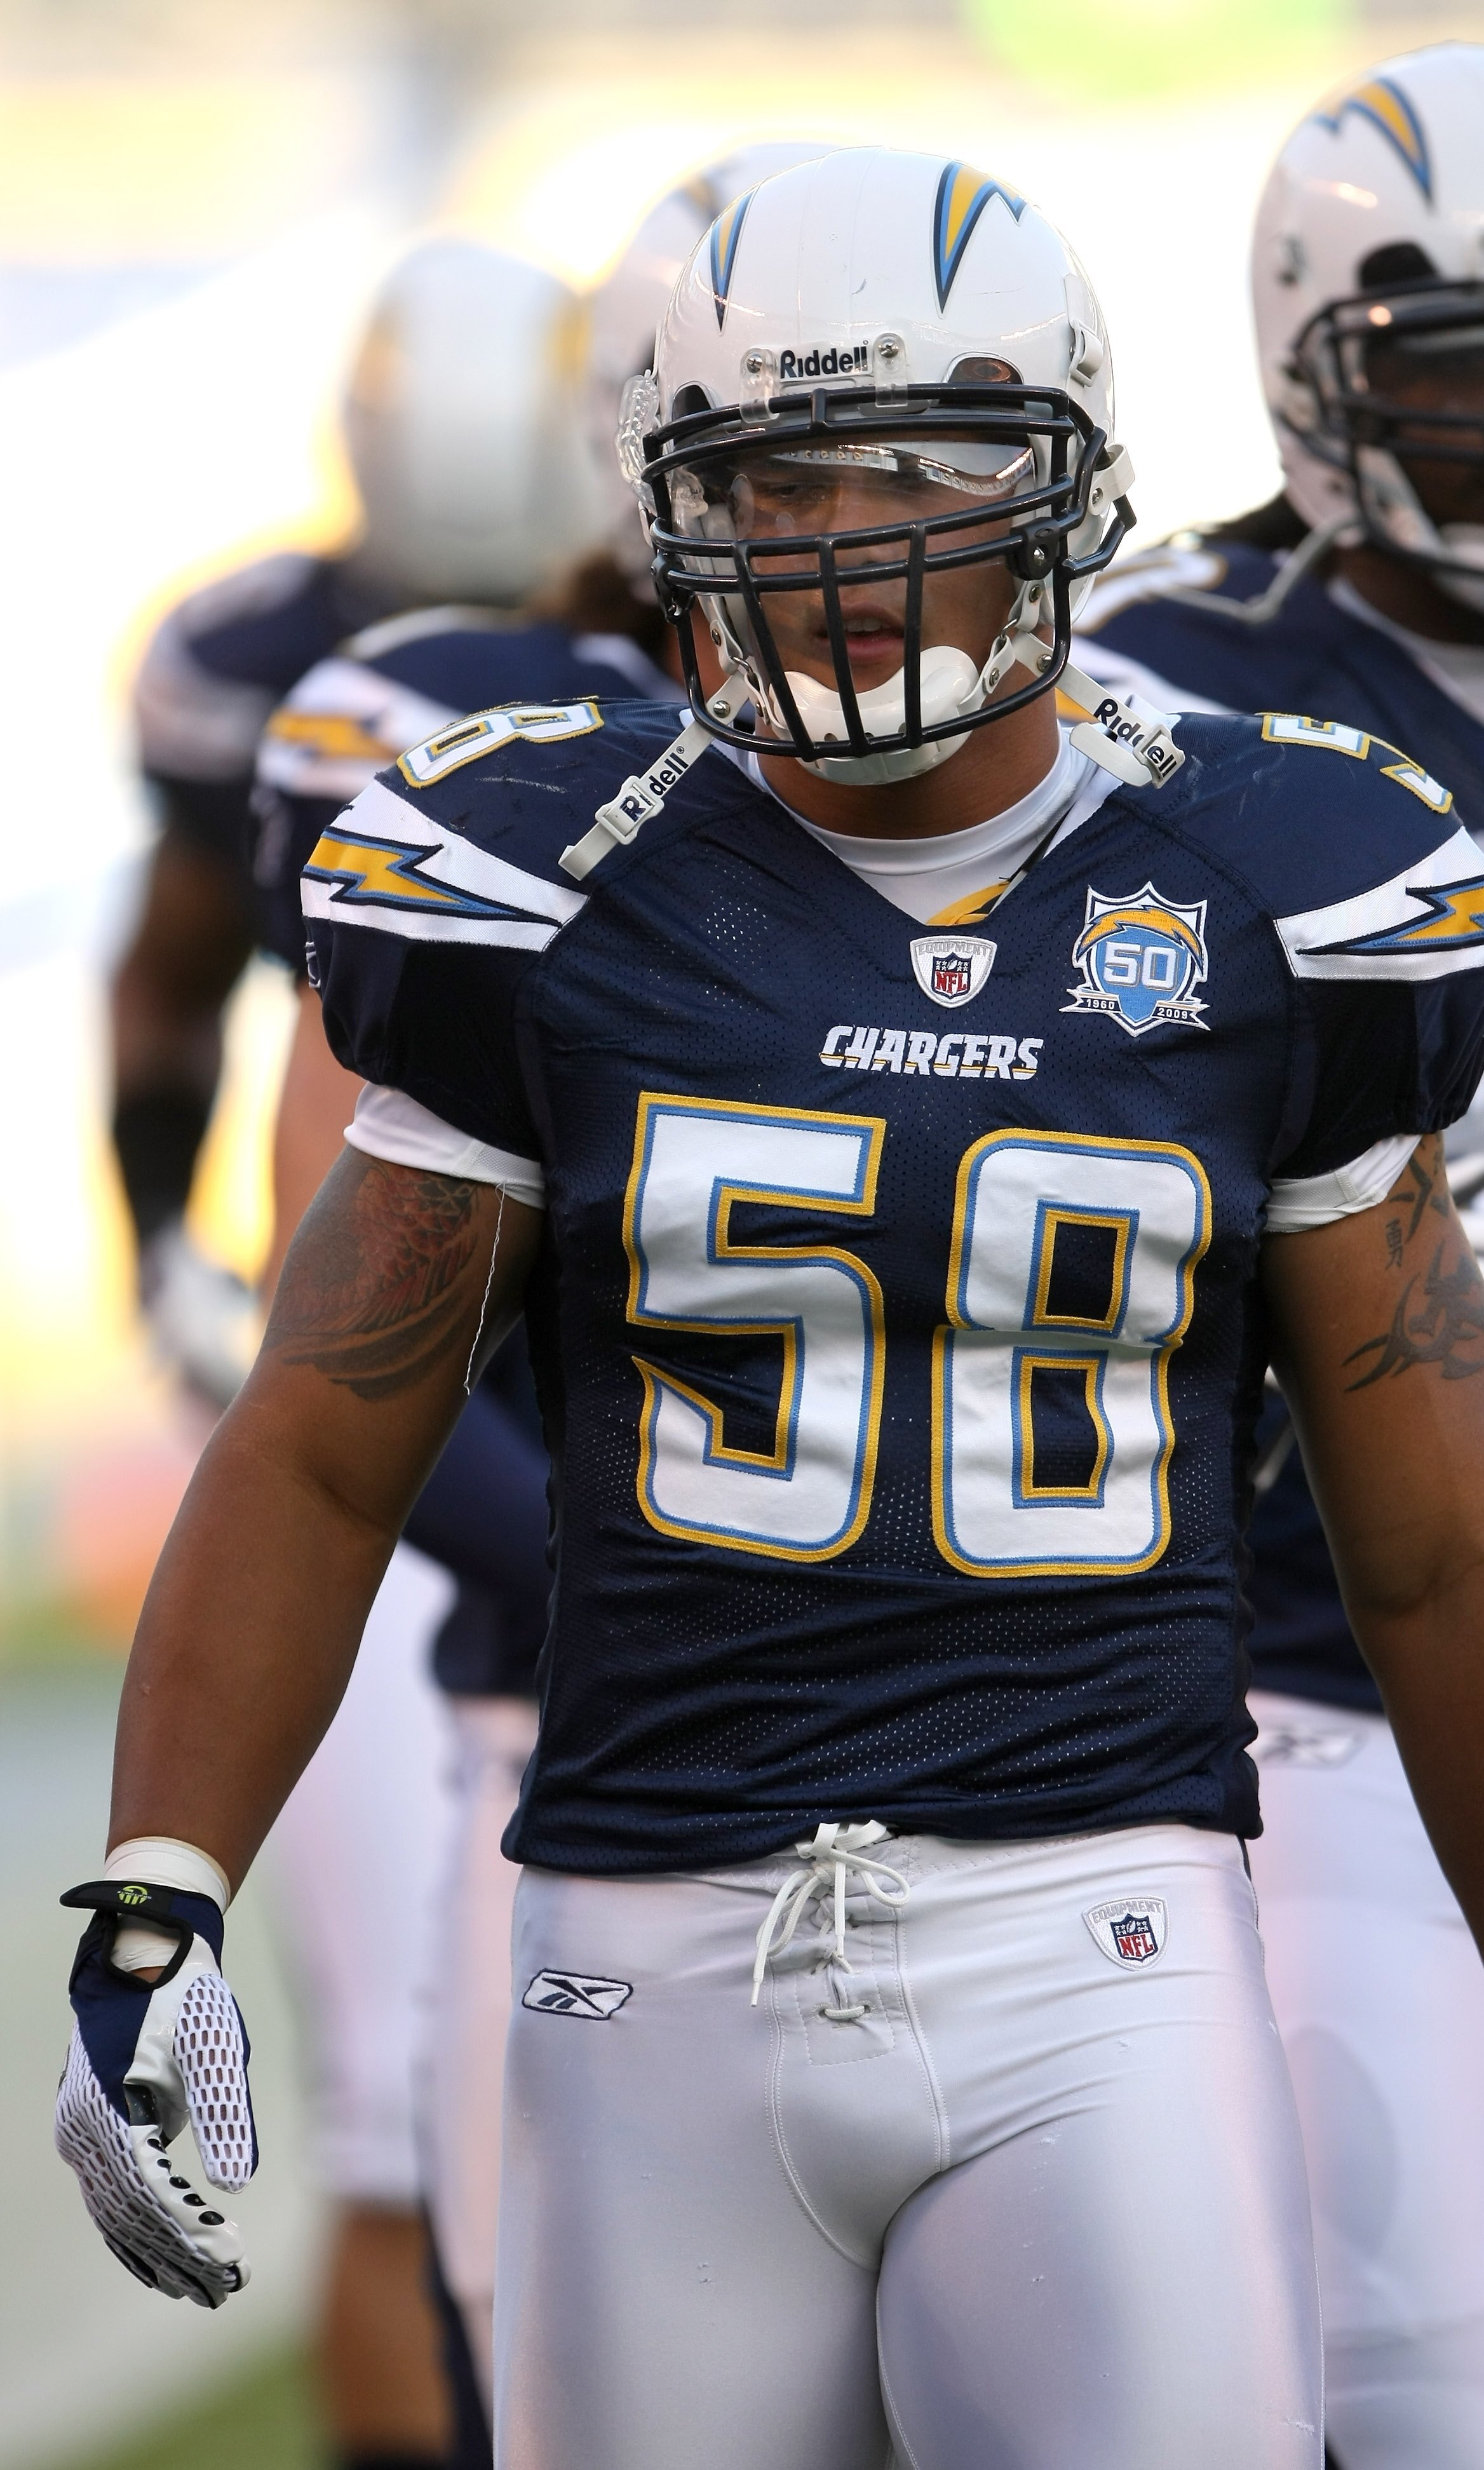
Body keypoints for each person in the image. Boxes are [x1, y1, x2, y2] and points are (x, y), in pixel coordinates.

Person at [56, 147, 1484, 2469]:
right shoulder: (537, 874)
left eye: (935, 462)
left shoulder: (1284, 879)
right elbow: (317, 1433)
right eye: (776, 475)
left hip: (1101, 1924)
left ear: (1070, 481)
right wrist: (160, 1887)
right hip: (639, 1939)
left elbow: (1434, 1528)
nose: (857, 531)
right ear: (668, 509)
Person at [1072, 42, 1484, 2467]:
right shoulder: (1157, 695)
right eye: (1466, 364)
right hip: (1352, 1714)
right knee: (1418, 2397)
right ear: (1315, 366)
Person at [249, 149, 821, 2424]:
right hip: (581, 1681)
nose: (836, 518)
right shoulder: (468, 745)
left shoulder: (1079, 766)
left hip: (1021, 1732)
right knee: (548, 2332)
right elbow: (350, 1284)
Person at [104, 234, 604, 2470]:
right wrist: (156, 1249)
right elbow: (187, 975)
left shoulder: (690, 640)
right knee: (423, 2100)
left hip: (628, 1386)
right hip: (389, 1373)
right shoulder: (284, 687)